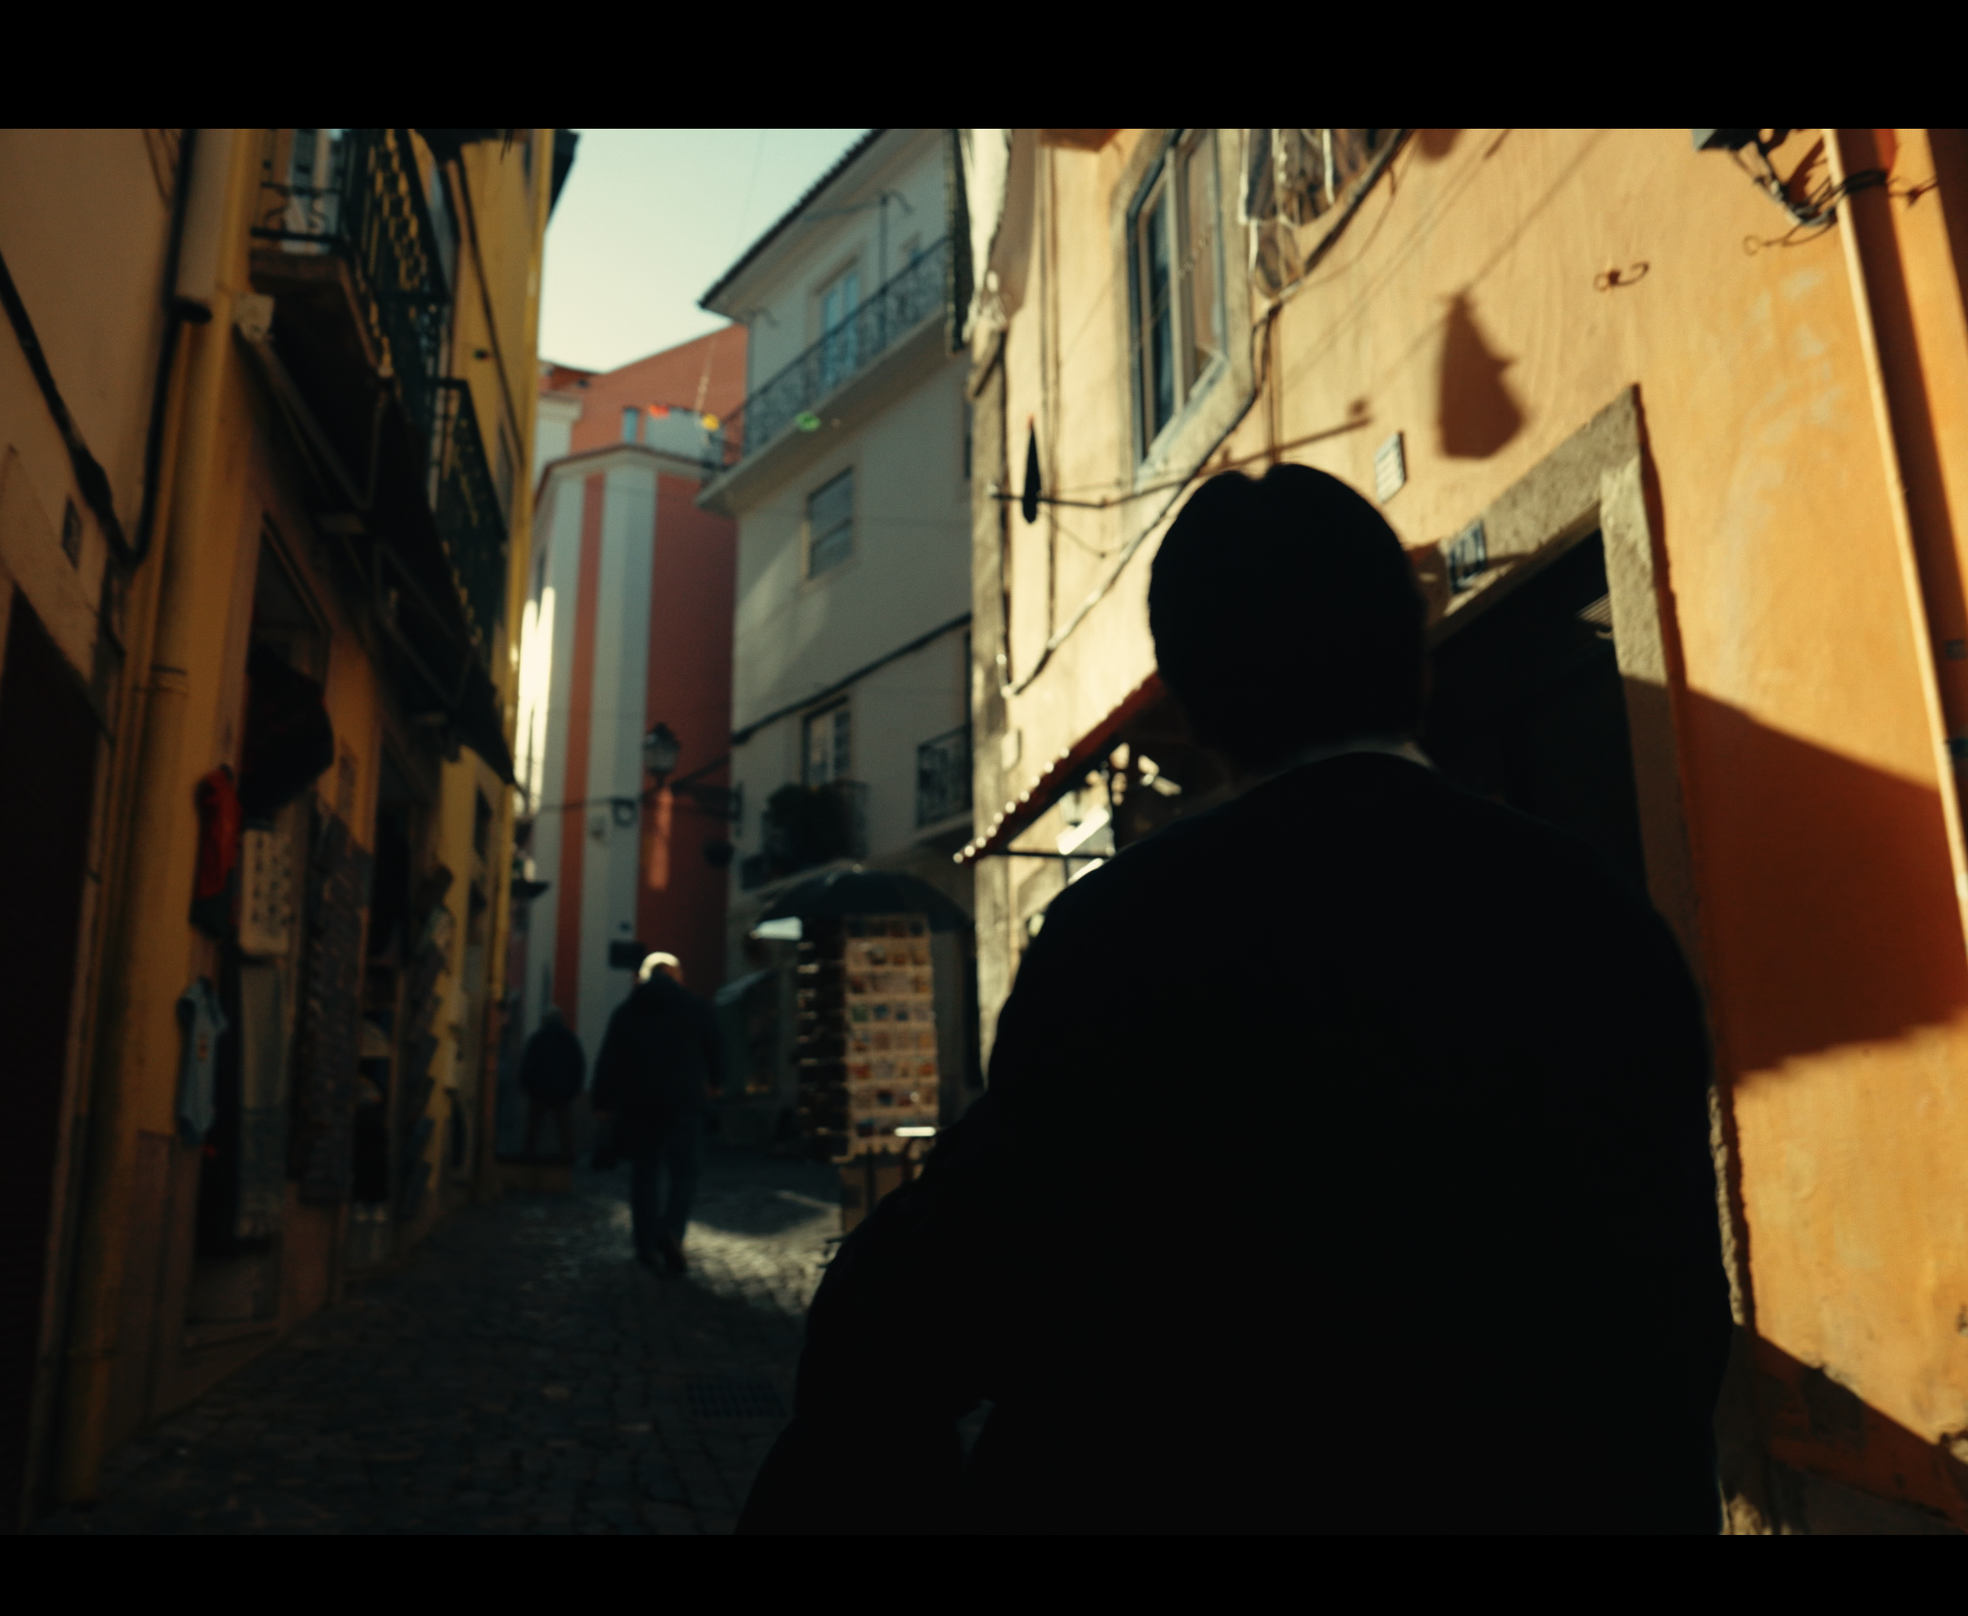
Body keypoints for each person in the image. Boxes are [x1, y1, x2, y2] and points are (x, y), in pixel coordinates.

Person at [738, 464, 1730, 1535]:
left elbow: (954, 1292)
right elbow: (1672, 1309)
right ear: (1417, 662)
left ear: (1191, 705)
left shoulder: (1126, 932)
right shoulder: (1593, 912)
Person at [592, 952, 725, 1275]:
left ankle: (645, 1245)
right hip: (685, 1102)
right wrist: (717, 1083)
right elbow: (717, 1049)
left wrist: (602, 1101)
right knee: (684, 1173)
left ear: (644, 977)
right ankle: (672, 1230)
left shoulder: (627, 1011)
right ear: (676, 975)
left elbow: (609, 1059)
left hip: (639, 1104)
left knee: (645, 1174)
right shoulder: (695, 1007)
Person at [516, 1007, 586, 1164]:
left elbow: (529, 1063)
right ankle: (568, 1155)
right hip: (561, 1091)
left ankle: (528, 1154)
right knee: (563, 1125)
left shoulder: (538, 1038)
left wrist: (525, 1084)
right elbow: (578, 1065)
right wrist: (574, 1088)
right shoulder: (569, 1039)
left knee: (534, 1124)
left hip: (540, 1090)